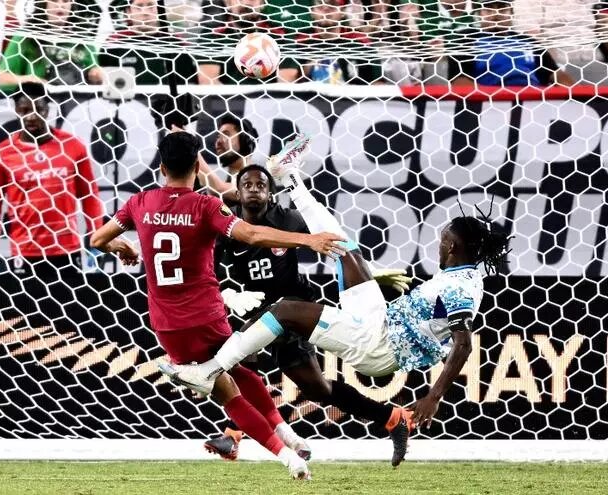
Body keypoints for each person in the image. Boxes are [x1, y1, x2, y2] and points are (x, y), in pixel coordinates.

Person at [159, 133, 510, 431]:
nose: (438, 242)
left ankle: (209, 370)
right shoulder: (460, 275)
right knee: (343, 246)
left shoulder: (461, 287)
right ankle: (290, 176)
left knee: (284, 312)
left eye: (442, 237)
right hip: (382, 319)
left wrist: (433, 397)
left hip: (378, 345)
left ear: (451, 245)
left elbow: (463, 344)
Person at [88, 131, 345, 480]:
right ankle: (289, 441)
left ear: (161, 167)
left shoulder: (139, 203)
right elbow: (252, 235)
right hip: (208, 315)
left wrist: (124, 248)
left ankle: (289, 454)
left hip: (168, 325)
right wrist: (308, 240)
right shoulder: (206, 206)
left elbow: (97, 239)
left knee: (228, 390)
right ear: (197, 166)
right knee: (240, 374)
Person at [204, 164, 416, 465]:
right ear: (237, 193)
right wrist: (228, 293)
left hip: (294, 308)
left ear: (271, 192)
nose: (254, 189)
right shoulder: (229, 228)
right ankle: (391, 417)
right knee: (315, 387)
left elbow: (332, 240)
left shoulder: (286, 219)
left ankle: (234, 434)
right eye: (247, 185)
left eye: (261, 184)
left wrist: (370, 274)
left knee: (242, 359)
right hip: (258, 309)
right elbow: (207, 271)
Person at [0, 82, 105, 326]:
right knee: (29, 325)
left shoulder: (73, 146)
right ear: (17, 111)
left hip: (66, 251)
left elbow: (89, 196)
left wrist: (96, 239)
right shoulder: (2, 154)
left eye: (37, 109)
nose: (31, 116)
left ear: (48, 109)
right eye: (24, 110)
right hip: (25, 253)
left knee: (70, 322)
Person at [447, 0, 574, 88]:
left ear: (512, 14)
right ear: (479, 15)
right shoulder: (466, 40)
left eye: (502, 8)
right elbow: (459, 82)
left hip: (534, 102)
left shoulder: (528, 41)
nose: (496, 14)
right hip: (489, 103)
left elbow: (556, 74)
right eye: (489, 9)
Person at [0, 0, 104, 85]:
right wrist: (30, 81)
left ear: (72, 5)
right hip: (37, 103)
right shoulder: (25, 37)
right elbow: (2, 77)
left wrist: (96, 76)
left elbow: (96, 72)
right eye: (54, 0)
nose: (60, 5)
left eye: (65, 1)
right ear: (42, 4)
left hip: (75, 105)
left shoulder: (83, 38)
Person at [197, 0, 300, 84]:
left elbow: (286, 81)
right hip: (227, 105)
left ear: (262, 3)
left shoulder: (280, 34)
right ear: (228, 4)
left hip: (270, 103)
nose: (246, 3)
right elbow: (208, 81)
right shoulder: (213, 35)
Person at [99, 0, 198, 85]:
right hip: (128, 104)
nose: (145, 12)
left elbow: (187, 81)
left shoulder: (175, 43)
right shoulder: (114, 43)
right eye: (139, 7)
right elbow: (101, 79)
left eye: (150, 6)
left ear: (159, 10)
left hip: (167, 105)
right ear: (128, 11)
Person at [295, 0, 382, 85]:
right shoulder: (301, 43)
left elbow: (377, 83)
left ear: (343, 12)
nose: (326, 9)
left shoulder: (359, 42)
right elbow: (291, 82)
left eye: (333, 4)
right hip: (311, 97)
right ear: (312, 11)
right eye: (320, 4)